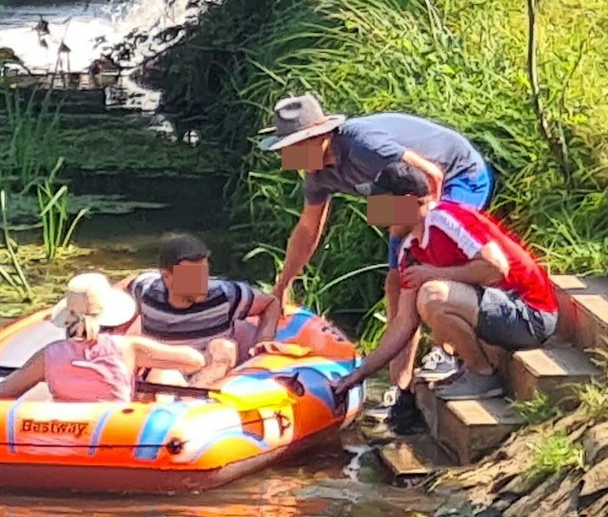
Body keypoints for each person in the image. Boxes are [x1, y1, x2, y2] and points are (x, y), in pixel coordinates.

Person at [260, 93, 493, 396]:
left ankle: (444, 351)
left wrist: (429, 233)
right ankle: (399, 390)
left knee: (431, 268)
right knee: (396, 284)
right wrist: (282, 287)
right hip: (405, 199)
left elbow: (432, 174)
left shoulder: (363, 145)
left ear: (319, 137)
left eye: (292, 148)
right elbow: (307, 230)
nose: (288, 157)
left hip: (457, 177)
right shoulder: (317, 175)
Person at [331, 163, 559, 422]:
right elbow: (403, 324)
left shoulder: (445, 218)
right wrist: (358, 375)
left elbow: (496, 267)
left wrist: (436, 274)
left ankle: (481, 373)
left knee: (432, 294)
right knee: (427, 295)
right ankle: (474, 369)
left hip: (530, 314)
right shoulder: (409, 249)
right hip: (494, 314)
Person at [0, 272, 205, 403]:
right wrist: (148, 362)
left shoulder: (49, 354)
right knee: (165, 374)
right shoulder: (129, 347)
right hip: (116, 432)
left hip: (63, 435)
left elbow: (4, 391)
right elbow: (195, 361)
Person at [122, 234, 280, 388]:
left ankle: (197, 402)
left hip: (209, 372)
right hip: (165, 368)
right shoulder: (147, 290)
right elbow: (119, 290)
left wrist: (263, 341)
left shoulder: (224, 295)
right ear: (167, 277)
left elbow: (270, 303)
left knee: (223, 347)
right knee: (163, 374)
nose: (201, 283)